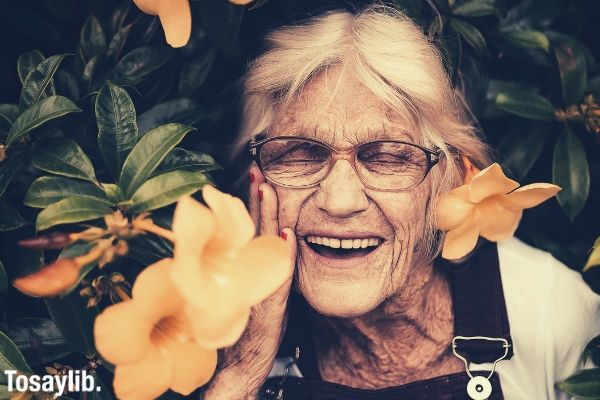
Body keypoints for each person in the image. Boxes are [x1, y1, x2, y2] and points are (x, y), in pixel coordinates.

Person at [202, 5, 600, 399]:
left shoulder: (550, 310)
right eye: (301, 153)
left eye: (387, 156)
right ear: (256, 177)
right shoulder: (217, 326)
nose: (338, 201)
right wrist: (242, 371)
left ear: (447, 179)